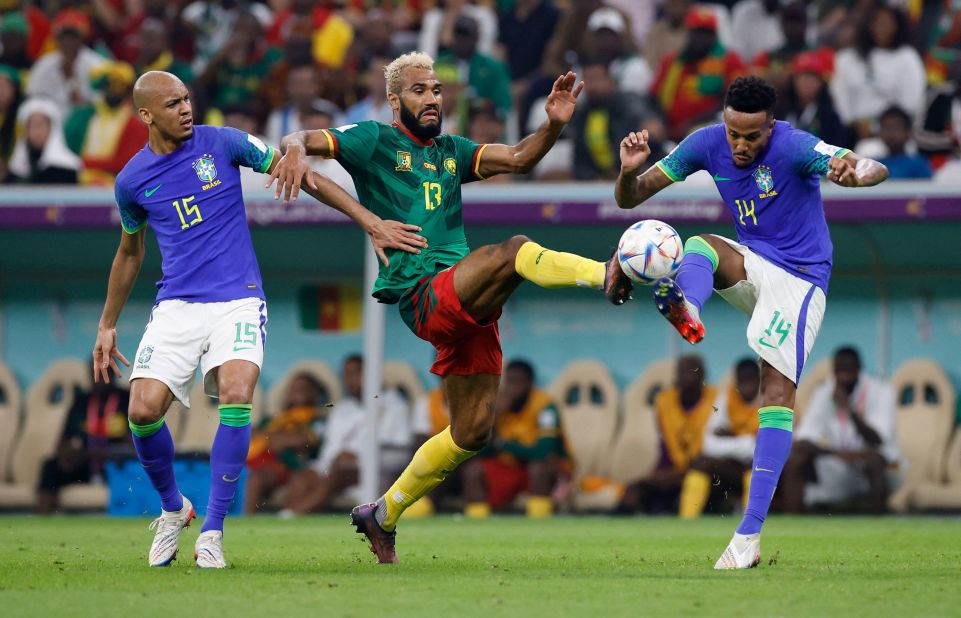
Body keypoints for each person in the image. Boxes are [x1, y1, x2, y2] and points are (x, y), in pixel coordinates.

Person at [269, 51, 632, 563]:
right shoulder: (374, 139)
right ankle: (605, 273)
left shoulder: (452, 151)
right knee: (512, 251)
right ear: (395, 100)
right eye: (420, 91)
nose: (433, 99)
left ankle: (383, 513)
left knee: (471, 433)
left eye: (437, 89)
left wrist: (552, 125)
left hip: (465, 303)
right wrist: (366, 217)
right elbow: (301, 143)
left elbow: (522, 157)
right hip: (424, 293)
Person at [91, 70, 421, 569]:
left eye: (187, 99)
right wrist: (107, 323)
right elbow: (129, 253)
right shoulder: (132, 180)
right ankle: (173, 508)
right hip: (177, 303)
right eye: (173, 103)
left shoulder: (223, 143)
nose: (185, 109)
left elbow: (305, 174)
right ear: (145, 115)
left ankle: (214, 532)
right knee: (141, 410)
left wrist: (369, 220)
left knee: (238, 393)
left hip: (238, 298)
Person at [615, 75, 888, 569]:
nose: (740, 145)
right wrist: (627, 173)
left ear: (771, 126)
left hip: (801, 283)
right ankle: (689, 308)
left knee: (775, 396)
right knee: (700, 245)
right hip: (753, 263)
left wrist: (858, 172)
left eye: (752, 137)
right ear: (725, 119)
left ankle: (748, 537)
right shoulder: (705, 143)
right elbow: (630, 198)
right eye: (733, 133)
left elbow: (862, 164)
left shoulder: (796, 145)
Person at [280, 355, 412, 516]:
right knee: (302, 478)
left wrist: (358, 458)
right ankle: (288, 523)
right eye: (346, 375)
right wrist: (332, 462)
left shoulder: (394, 405)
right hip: (332, 468)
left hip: (370, 472)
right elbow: (328, 452)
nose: (350, 380)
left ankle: (292, 515)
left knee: (340, 471)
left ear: (371, 374)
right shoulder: (342, 408)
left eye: (355, 374)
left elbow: (400, 453)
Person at [782, 347, 902, 514]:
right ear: (834, 371)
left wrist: (849, 410)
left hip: (872, 464)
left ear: (858, 369)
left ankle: (878, 525)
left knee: (874, 460)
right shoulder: (824, 393)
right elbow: (803, 439)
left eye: (849, 370)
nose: (844, 375)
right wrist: (835, 454)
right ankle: (794, 523)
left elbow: (878, 439)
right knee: (796, 457)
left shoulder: (881, 391)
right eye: (840, 370)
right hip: (835, 461)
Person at [460, 359, 565, 518]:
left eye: (518, 382)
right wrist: (493, 417)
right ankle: (477, 524)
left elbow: (544, 452)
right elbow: (481, 450)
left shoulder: (545, 406)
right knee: (473, 470)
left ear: (530, 384)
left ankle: (540, 520)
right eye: (509, 381)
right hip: (511, 467)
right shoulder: (498, 405)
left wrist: (503, 445)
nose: (512, 388)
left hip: (542, 470)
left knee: (538, 468)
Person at [616, 355, 716, 515]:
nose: (685, 376)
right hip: (672, 471)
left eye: (691, 370)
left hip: (703, 471)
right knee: (633, 490)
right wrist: (661, 473)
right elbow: (664, 445)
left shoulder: (716, 400)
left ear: (702, 375)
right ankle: (613, 530)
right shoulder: (665, 401)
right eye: (681, 371)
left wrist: (678, 474)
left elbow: (715, 448)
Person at [36, 366, 131, 514]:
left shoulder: (127, 399)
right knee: (50, 466)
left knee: (132, 471)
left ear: (113, 374)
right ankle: (42, 523)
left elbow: (136, 442)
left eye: (105, 373)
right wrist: (67, 456)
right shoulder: (81, 401)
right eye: (96, 373)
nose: (100, 378)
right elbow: (62, 441)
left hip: (115, 463)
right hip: (86, 462)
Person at [679, 358, 760, 518]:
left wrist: (731, 436)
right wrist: (747, 441)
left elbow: (766, 448)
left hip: (763, 468)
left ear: (759, 381)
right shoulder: (727, 397)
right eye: (742, 381)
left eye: (750, 381)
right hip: (735, 466)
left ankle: (751, 524)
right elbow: (709, 443)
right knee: (701, 464)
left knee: (756, 469)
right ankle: (686, 522)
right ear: (736, 381)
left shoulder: (770, 401)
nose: (746, 387)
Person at [244, 372, 328, 514]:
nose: (295, 392)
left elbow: (302, 440)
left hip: (289, 467)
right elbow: (251, 436)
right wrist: (275, 438)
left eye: (302, 388)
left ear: (315, 395)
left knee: (256, 479)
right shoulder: (276, 419)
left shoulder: (316, 419)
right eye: (292, 388)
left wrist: (270, 438)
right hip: (260, 462)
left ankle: (249, 524)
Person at [6, 97, 80, 185]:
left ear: (52, 129)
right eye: (31, 125)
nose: (36, 131)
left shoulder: (67, 168)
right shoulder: (17, 169)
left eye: (40, 125)